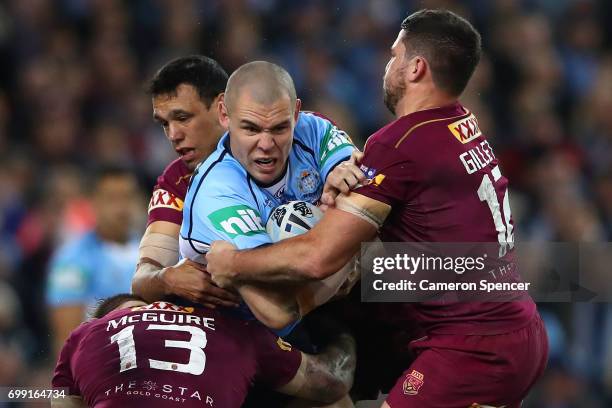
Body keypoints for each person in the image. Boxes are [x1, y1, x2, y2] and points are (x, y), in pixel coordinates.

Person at [205, 9, 549, 408]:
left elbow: (318, 257)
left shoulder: (401, 142)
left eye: (394, 56)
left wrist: (234, 263)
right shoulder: (462, 125)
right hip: (520, 332)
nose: (386, 67)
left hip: (471, 349)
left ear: (416, 68)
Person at [178, 60, 363, 327]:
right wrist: (346, 256)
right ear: (224, 115)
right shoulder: (216, 190)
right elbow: (277, 311)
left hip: (319, 307)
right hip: (238, 330)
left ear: (296, 113)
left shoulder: (313, 130)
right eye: (251, 129)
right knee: (294, 224)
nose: (266, 145)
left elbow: (371, 199)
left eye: (279, 128)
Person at [51, 293, 356, 408]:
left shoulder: (82, 336)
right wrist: (342, 331)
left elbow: (63, 403)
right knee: (334, 401)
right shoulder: (233, 330)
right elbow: (331, 381)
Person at [131, 55, 241, 309]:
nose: (173, 135)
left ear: (221, 107)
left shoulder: (284, 144)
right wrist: (166, 279)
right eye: (164, 124)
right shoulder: (176, 181)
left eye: (182, 118)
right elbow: (142, 278)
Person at [47, 165, 141, 355]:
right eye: (112, 199)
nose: (122, 208)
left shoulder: (150, 250)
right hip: (102, 363)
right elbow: (66, 338)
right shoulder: (72, 260)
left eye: (128, 197)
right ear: (93, 202)